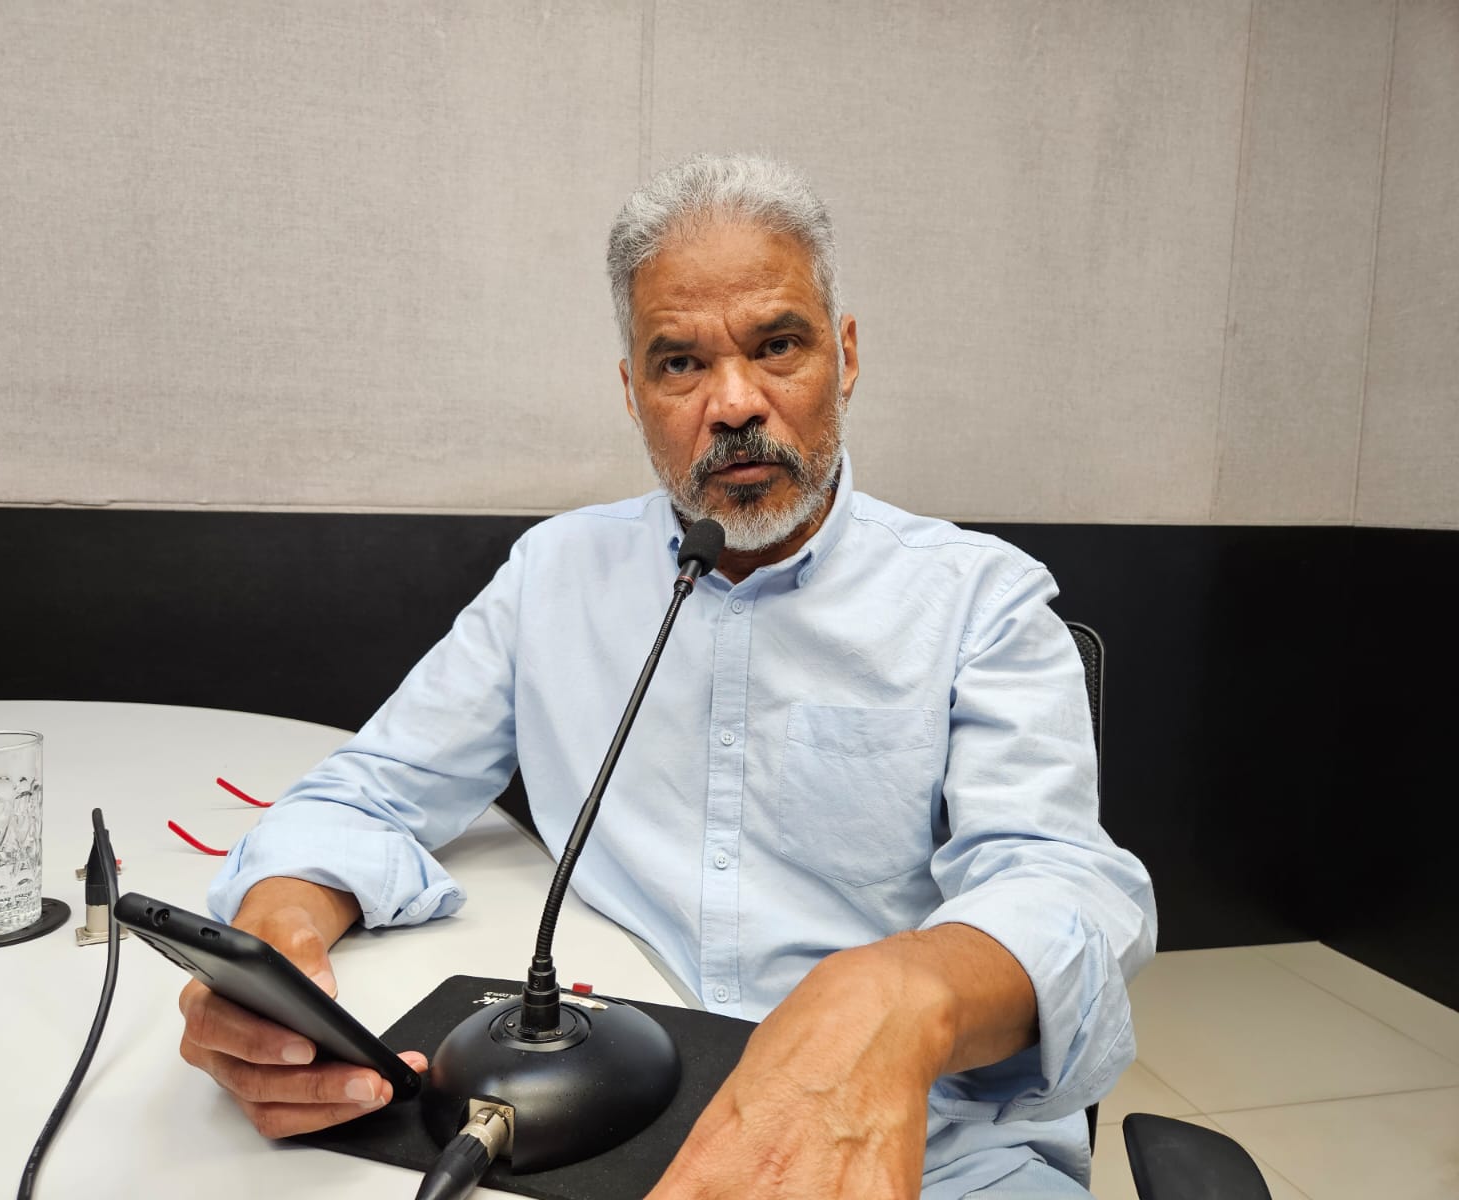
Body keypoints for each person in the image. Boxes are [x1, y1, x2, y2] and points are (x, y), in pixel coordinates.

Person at [176, 153, 1156, 1199]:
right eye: (679, 364)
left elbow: (1065, 892)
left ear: (847, 355)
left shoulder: (980, 599)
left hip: (930, 1140)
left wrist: (900, 994)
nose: (735, 403)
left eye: (778, 346)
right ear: (633, 393)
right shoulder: (553, 575)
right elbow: (367, 792)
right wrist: (278, 945)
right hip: (607, 1109)